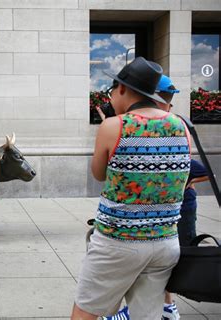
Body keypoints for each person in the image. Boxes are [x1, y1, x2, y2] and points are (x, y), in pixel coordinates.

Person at [71, 57, 191, 320]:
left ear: (122, 89)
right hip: (165, 242)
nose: (111, 96)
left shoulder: (115, 125)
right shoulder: (180, 125)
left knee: (85, 314)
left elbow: (99, 173)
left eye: (111, 90)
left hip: (118, 240)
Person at [154, 75, 209, 320]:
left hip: (182, 207)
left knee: (178, 256)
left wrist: (185, 181)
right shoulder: (172, 123)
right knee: (167, 257)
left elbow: (200, 169)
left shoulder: (171, 124)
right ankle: (167, 305)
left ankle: (169, 306)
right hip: (170, 206)